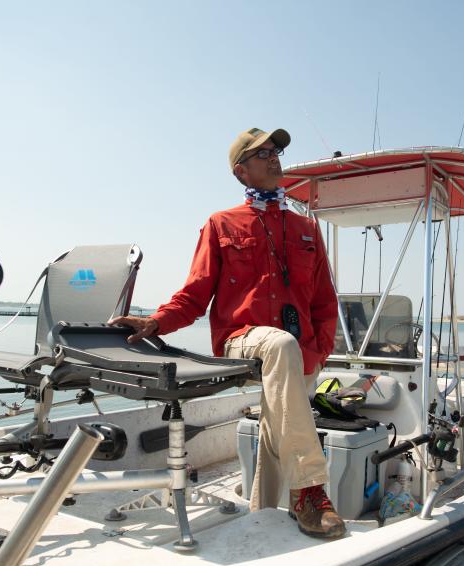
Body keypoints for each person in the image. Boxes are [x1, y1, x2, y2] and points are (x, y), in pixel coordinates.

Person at [109, 127, 345, 538]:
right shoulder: (220, 224)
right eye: (264, 153)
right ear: (241, 172)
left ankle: (264, 515)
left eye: (278, 151)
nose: (275, 158)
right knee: (280, 346)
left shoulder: (307, 229)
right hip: (243, 340)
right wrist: (155, 322)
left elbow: (325, 301)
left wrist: (321, 350)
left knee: (280, 424)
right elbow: (195, 295)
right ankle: (310, 490)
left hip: (300, 351)